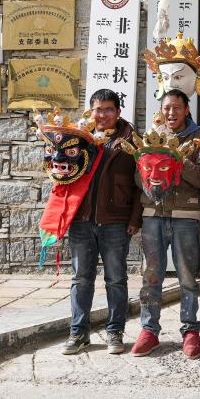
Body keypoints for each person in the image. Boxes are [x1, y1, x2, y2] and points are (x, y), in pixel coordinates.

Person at [130, 89, 200, 359]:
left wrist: (178, 161)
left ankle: (190, 330)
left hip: (186, 216)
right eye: (167, 108)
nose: (171, 113)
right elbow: (138, 178)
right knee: (151, 276)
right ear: (161, 110)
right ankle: (149, 330)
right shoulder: (151, 139)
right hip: (153, 215)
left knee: (187, 277)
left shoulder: (199, 140)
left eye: (177, 107)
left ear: (187, 109)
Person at [62, 89, 140, 356]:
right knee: (80, 279)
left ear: (118, 112)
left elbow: (139, 184)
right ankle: (78, 332)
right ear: (90, 111)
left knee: (116, 279)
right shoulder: (78, 139)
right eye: (98, 109)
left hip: (115, 220)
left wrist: (134, 218)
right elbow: (62, 177)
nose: (102, 115)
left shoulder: (131, 141)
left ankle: (115, 331)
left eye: (108, 109)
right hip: (81, 220)